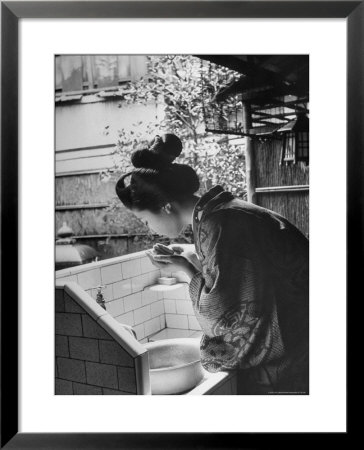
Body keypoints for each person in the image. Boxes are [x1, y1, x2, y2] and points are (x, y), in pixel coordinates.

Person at [115, 133, 309, 394]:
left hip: (299, 353)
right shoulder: (222, 214)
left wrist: (184, 269)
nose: (149, 229)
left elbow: (224, 316)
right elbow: (235, 278)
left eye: (146, 220)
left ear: (166, 207)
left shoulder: (219, 226)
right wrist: (187, 260)